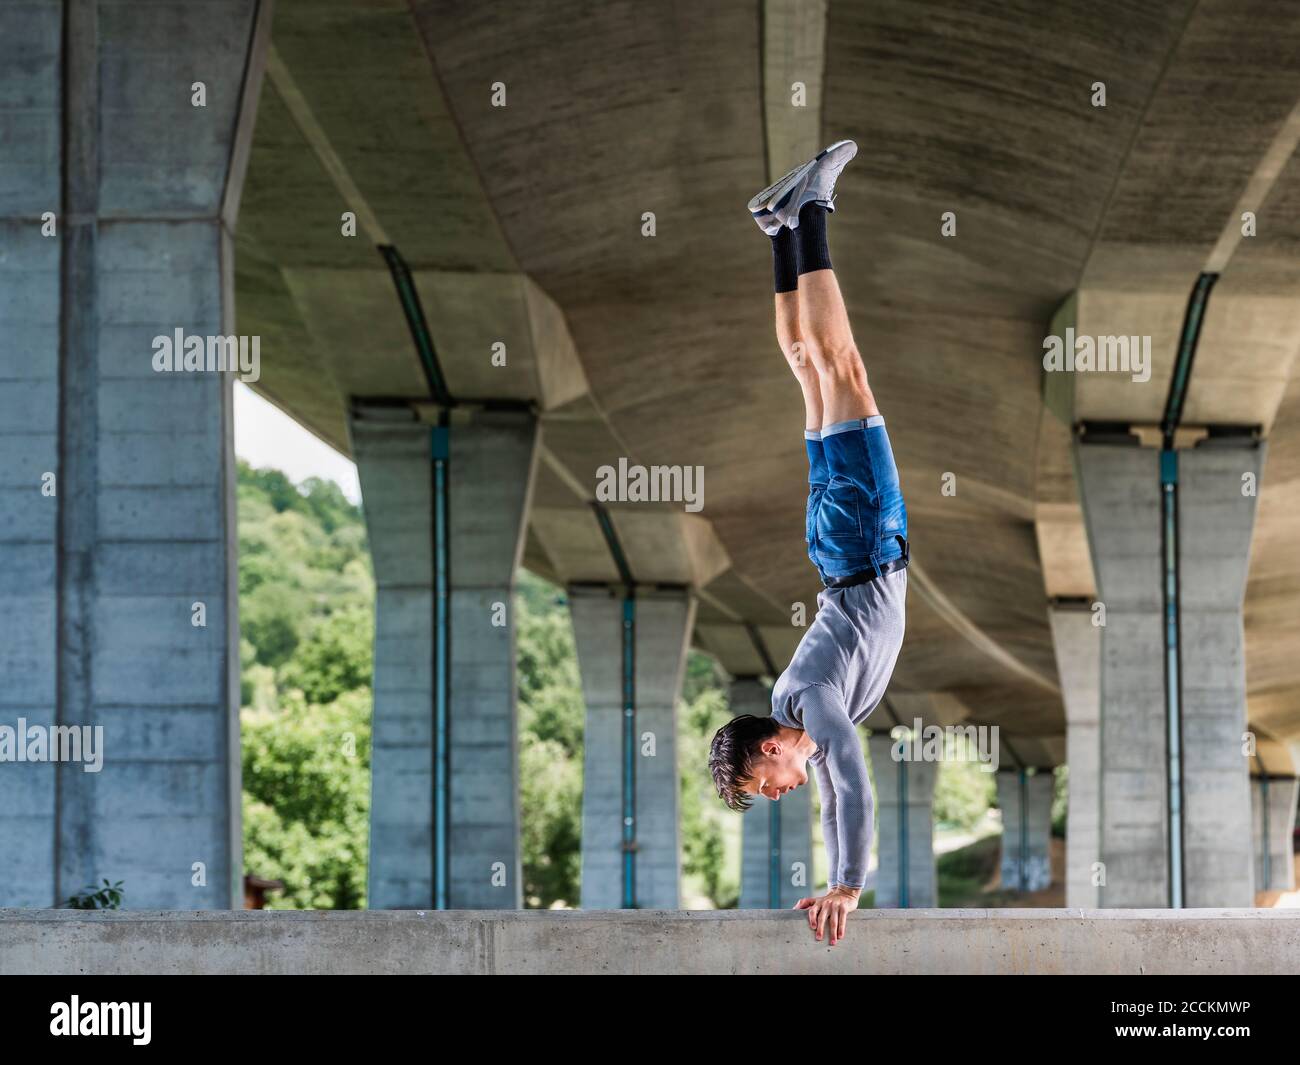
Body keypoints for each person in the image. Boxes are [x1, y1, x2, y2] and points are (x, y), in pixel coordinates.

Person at [708, 140, 909, 947]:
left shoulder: (814, 703)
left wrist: (850, 885)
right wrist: (833, 875)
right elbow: (829, 790)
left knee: (841, 366)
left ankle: (812, 212)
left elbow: (850, 788)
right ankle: (781, 229)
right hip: (835, 543)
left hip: (862, 536)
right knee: (805, 367)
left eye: (766, 780)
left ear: (771, 744)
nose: (781, 790)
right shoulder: (799, 705)